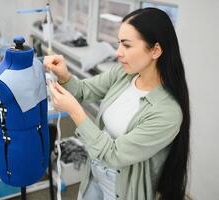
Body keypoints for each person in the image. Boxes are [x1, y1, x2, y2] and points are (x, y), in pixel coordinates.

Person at [44, 7, 190, 200]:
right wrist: (64, 75)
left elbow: (115, 155)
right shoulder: (124, 74)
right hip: (94, 170)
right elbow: (83, 91)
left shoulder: (168, 112)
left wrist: (74, 111)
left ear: (155, 50)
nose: (118, 53)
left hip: (122, 187)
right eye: (119, 43)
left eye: (127, 46)